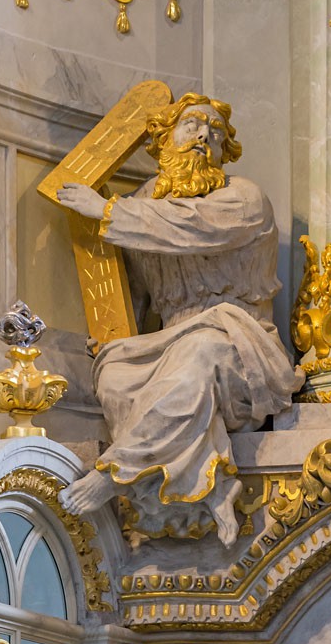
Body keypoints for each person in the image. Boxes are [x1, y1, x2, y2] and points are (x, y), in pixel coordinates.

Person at [56, 93, 303, 546]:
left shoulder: (243, 198)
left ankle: (115, 473)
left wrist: (107, 211)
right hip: (170, 339)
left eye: (216, 132)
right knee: (114, 373)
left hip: (239, 336)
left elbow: (192, 226)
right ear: (164, 139)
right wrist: (112, 336)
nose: (204, 135)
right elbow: (137, 291)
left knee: (198, 356)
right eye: (191, 124)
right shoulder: (143, 204)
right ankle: (209, 490)